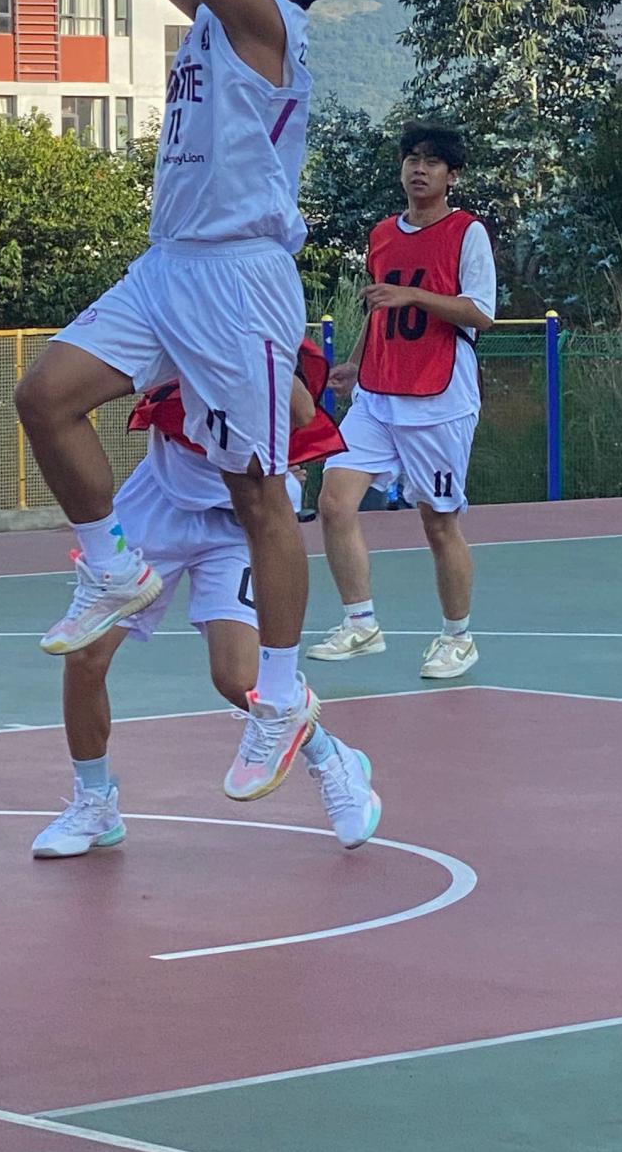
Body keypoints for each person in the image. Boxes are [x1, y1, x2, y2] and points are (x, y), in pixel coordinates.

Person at [15, 0, 370, 802]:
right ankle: (111, 567)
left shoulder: (268, 22)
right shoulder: (217, 15)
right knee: (43, 396)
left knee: (259, 494)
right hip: (169, 265)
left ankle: (280, 698)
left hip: (238, 281)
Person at [33, 343, 380, 857]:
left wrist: (231, 362)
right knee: (85, 655)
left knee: (238, 678)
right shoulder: (167, 324)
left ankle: (333, 759)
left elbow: (303, 409)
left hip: (243, 520)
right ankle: (94, 801)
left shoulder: (259, 331)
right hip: (158, 501)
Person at [311, 124, 496, 680]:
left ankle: (458, 638)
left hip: (437, 399)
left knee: (438, 523)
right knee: (334, 502)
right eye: (412, 158)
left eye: (432, 162)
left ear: (451, 175)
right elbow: (379, 310)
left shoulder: (467, 232)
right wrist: (357, 362)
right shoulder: (382, 234)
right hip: (376, 395)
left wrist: (413, 294)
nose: (419, 169)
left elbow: (480, 313)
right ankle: (360, 624)